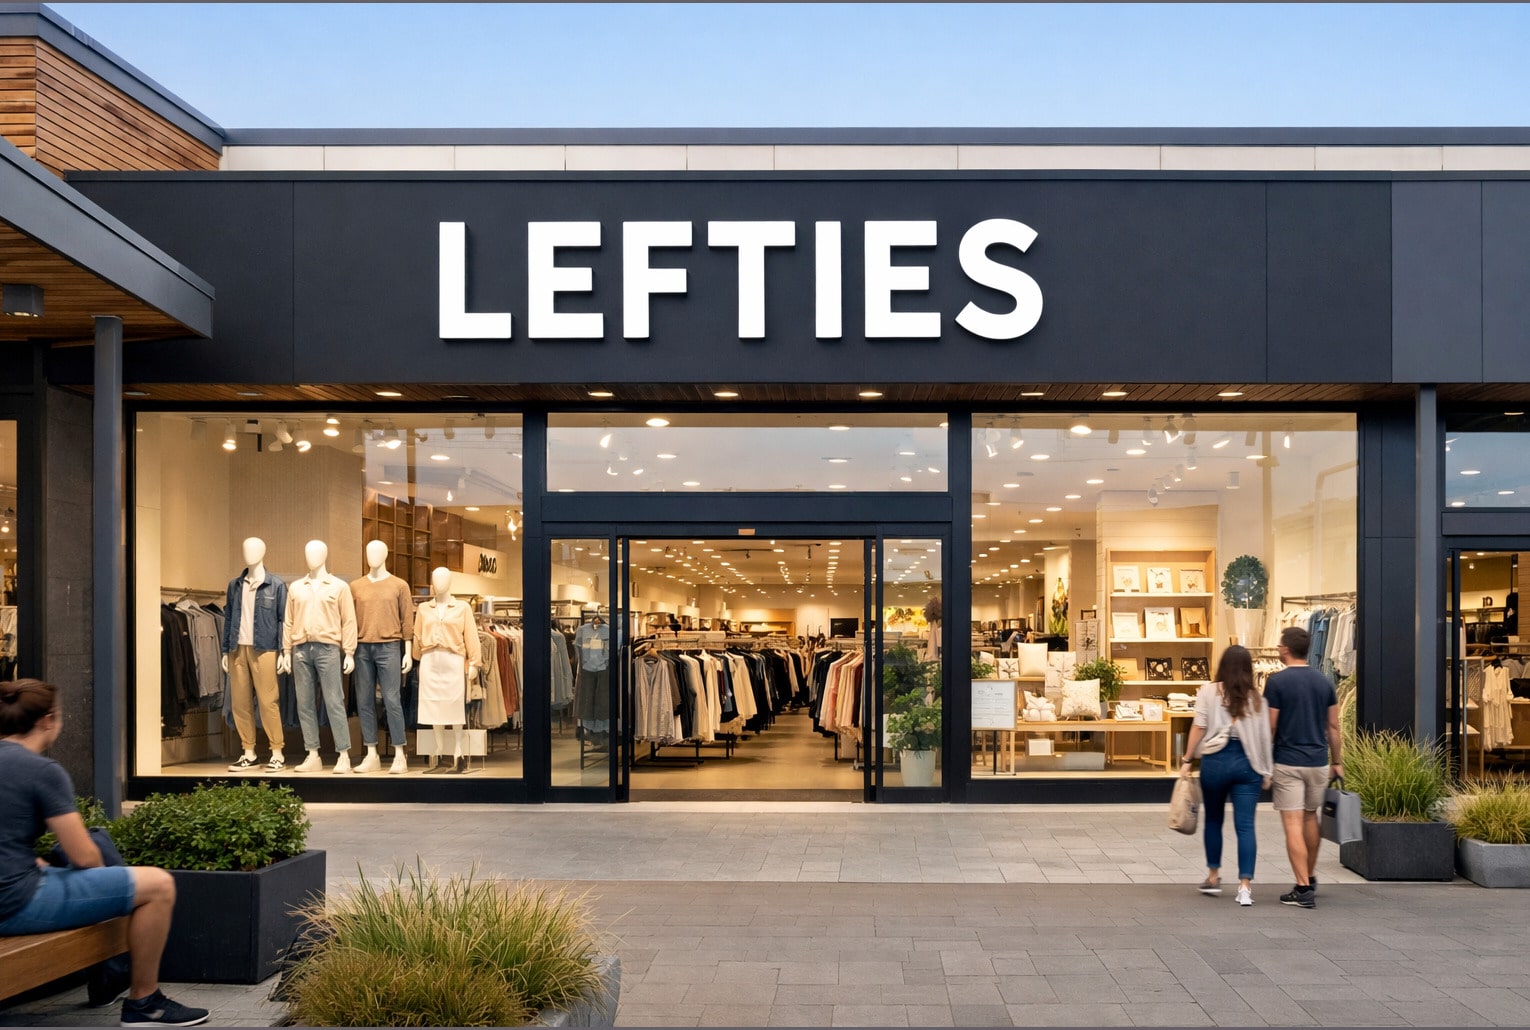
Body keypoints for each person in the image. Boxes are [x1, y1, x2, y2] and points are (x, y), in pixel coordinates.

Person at [0, 679, 209, 1026]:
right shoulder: (42, 771)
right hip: (13, 902)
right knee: (157, 885)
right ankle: (144, 1001)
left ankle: (113, 976)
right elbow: (84, 858)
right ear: (48, 720)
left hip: (13, 884)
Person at [1181, 645, 1273, 907]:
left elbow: (1199, 726)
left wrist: (1188, 759)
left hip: (1216, 763)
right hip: (1248, 764)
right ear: (1249, 668)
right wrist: (1267, 769)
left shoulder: (1208, 692)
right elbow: (1265, 738)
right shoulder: (1257, 699)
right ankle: (1245, 888)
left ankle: (1213, 876)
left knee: (1213, 821)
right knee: (1246, 826)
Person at [1265, 626, 1343, 909]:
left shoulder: (1276, 683)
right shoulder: (1324, 682)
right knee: (1311, 818)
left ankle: (1302, 888)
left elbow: (1271, 726)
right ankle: (1309, 876)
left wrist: (1264, 762)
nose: (1277, 649)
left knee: (1292, 824)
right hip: (1318, 762)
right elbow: (1333, 726)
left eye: (1279, 645)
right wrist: (1337, 762)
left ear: (1286, 649)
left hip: (1288, 762)